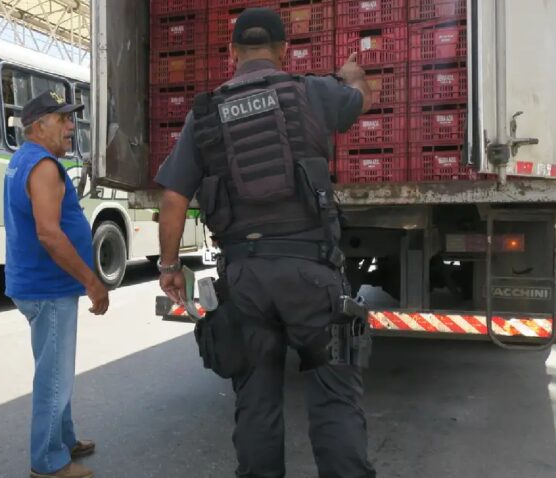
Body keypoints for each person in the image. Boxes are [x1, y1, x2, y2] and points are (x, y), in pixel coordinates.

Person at [155, 7, 376, 478]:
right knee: (334, 398)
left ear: (232, 51)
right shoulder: (313, 92)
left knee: (255, 401)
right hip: (312, 277)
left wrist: (170, 265)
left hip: (244, 280)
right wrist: (354, 76)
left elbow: (174, 196)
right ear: (282, 50)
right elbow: (358, 99)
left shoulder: (205, 112)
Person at [3, 90, 109, 478]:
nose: (70, 126)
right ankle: (48, 462)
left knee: (56, 369)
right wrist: (92, 282)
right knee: (54, 377)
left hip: (38, 284)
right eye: (62, 120)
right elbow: (49, 234)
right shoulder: (44, 165)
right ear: (38, 125)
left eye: (71, 119)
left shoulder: (23, 160)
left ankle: (64, 439)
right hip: (48, 288)